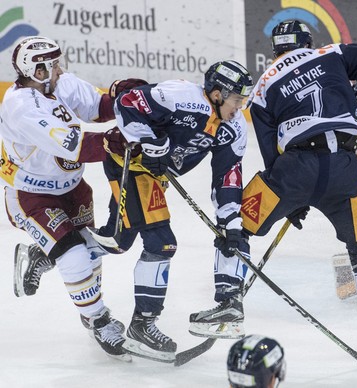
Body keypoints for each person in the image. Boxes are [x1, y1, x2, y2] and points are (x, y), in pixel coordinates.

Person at [240, 20, 357, 352]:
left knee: (235, 225)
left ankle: (227, 299)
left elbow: (271, 152)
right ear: (307, 42)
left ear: (276, 50)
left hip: (294, 170)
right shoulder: (331, 54)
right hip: (344, 169)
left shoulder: (262, 87)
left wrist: (290, 198)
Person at [97, 59, 254, 362]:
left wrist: (231, 222)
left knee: (118, 241)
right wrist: (149, 142)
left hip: (153, 176)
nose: (240, 108)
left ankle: (59, 247)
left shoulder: (232, 127)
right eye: (236, 100)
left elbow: (227, 176)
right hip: (129, 164)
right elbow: (127, 101)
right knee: (161, 242)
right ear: (218, 94)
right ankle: (143, 322)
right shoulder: (182, 96)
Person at [0, 36, 143, 361]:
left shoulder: (60, 84)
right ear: (37, 70)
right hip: (31, 195)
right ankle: (98, 319)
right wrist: (114, 141)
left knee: (91, 256)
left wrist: (125, 99)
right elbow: (73, 143)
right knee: (74, 254)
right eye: (52, 65)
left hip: (73, 188)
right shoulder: (21, 107)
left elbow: (96, 107)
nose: (59, 69)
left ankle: (43, 256)